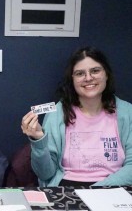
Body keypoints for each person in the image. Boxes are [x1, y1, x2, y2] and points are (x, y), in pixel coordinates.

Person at [21, 46, 132, 187]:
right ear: (72, 80)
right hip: (66, 190)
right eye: (80, 74)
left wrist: (97, 190)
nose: (88, 78)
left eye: (95, 71)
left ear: (106, 74)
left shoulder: (127, 112)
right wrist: (38, 140)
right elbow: (45, 174)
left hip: (114, 187)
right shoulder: (57, 113)